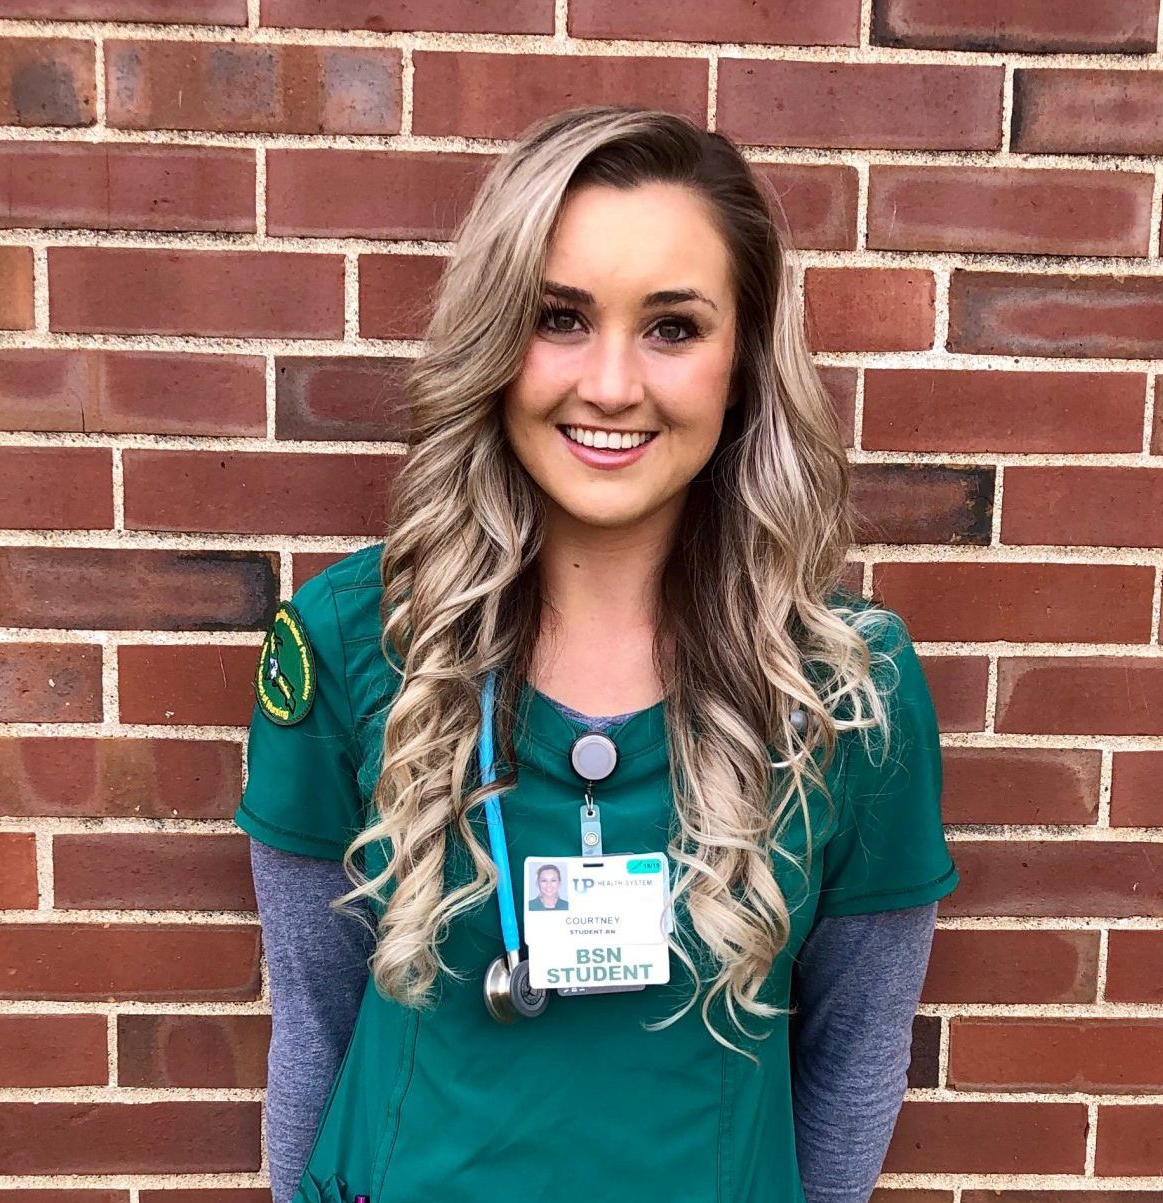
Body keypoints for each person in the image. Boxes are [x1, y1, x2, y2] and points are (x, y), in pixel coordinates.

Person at [241, 105, 958, 1203]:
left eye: (672, 327)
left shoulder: (846, 689)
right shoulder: (352, 640)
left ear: (744, 359)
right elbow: (314, 1018)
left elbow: (856, 1059)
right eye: (559, 318)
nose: (613, 384)